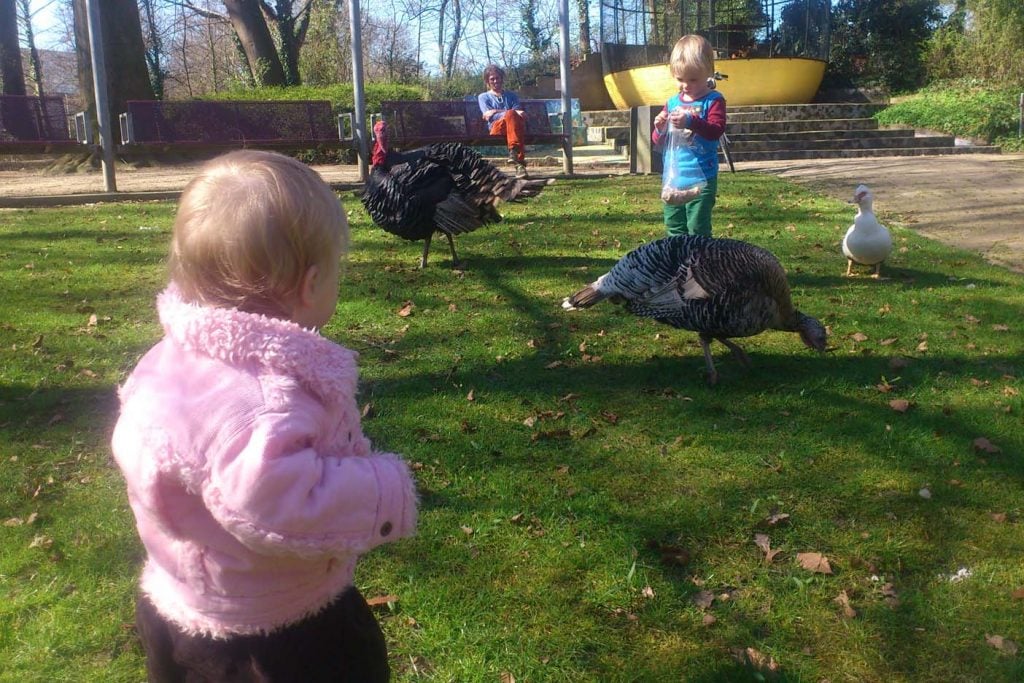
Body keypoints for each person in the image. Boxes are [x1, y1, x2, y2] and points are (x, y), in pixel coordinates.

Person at [111, 150, 418, 682]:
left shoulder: (167, 365)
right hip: (275, 635)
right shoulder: (266, 399)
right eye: (337, 268)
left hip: (186, 603)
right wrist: (382, 489)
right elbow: (270, 501)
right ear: (311, 283)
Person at [652, 35, 727, 236]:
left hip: (702, 176)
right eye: (680, 79)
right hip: (674, 177)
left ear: (708, 72)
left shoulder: (713, 101)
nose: (686, 85)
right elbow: (660, 142)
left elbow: (716, 130)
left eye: (693, 79)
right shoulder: (672, 103)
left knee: (697, 228)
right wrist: (659, 128)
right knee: (674, 227)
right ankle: (678, 265)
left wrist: (691, 122)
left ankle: (701, 265)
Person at [478, 64, 529, 178]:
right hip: (496, 129)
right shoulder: (483, 97)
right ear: (487, 81)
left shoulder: (512, 96)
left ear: (502, 79)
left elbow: (517, 115)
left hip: (513, 129)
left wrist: (495, 111)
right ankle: (517, 158)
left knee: (514, 120)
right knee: (512, 115)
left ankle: (516, 158)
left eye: (498, 78)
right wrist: (507, 112)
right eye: (492, 79)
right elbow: (488, 116)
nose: (495, 81)